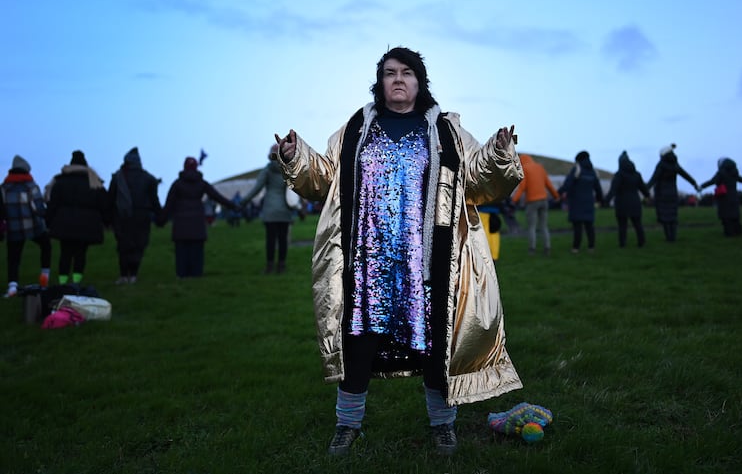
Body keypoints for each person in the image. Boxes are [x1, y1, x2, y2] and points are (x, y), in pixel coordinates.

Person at [275, 47, 523, 456]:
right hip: (365, 263)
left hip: (428, 265)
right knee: (358, 345)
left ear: (420, 81)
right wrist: (294, 156)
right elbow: (322, 180)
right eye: (390, 73)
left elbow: (478, 181)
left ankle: (443, 425)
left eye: (407, 73)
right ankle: (347, 424)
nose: (398, 80)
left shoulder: (447, 131)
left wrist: (498, 152)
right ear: (381, 82)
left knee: (434, 345)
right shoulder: (355, 129)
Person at [160, 157, 239, 278]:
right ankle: (196, 273)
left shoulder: (177, 184)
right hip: (197, 221)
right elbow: (216, 196)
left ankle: (182, 274)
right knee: (197, 250)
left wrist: (161, 220)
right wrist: (233, 206)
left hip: (181, 222)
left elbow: (169, 203)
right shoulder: (202, 183)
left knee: (182, 250)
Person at [46, 150, 108, 285]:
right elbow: (104, 204)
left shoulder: (60, 181)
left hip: (64, 223)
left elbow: (53, 204)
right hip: (87, 224)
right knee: (81, 254)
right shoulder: (94, 182)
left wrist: (48, 222)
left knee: (65, 253)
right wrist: (107, 222)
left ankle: (63, 282)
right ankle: (76, 281)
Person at [108, 147, 163, 285]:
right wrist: (160, 217)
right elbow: (154, 200)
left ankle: (123, 275)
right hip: (142, 216)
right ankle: (133, 275)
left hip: (121, 216)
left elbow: (110, 199)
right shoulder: (149, 178)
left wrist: (107, 218)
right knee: (138, 246)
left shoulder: (117, 177)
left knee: (123, 246)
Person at [240, 144, 297, 274]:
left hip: (270, 210)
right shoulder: (288, 170)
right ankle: (281, 266)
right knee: (283, 240)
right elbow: (294, 191)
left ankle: (269, 266)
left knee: (270, 239)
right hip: (284, 210)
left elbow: (257, 189)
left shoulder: (267, 170)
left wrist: (243, 201)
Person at [2, 155, 51, 297]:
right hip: (33, 227)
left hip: (13, 228)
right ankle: (45, 275)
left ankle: (12, 286)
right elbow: (39, 209)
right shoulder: (31, 186)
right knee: (46, 246)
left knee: (13, 258)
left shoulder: (4, 188)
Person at [646, 144, 700, 242]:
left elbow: (654, 178)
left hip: (662, 194)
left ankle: (668, 238)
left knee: (665, 217)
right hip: (673, 193)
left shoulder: (661, 165)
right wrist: (694, 183)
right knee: (673, 216)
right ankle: (673, 237)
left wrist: (644, 189)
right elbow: (685, 175)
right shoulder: (675, 165)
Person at [511, 154, 559, 255]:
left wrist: (514, 200)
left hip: (532, 202)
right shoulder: (540, 167)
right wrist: (556, 196)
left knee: (532, 226)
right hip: (544, 200)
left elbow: (522, 188)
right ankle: (547, 247)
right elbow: (548, 184)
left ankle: (532, 249)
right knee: (543, 226)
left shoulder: (525, 169)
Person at [557, 151, 604, 253]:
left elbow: (567, 184)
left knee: (577, 226)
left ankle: (576, 248)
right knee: (589, 226)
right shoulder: (593, 172)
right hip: (589, 203)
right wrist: (600, 200)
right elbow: (598, 189)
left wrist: (557, 194)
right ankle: (591, 247)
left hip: (576, 203)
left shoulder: (577, 170)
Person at [604, 151, 650, 248]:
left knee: (622, 225)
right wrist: (647, 195)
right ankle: (641, 242)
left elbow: (613, 190)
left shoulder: (619, 175)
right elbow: (643, 188)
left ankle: (622, 243)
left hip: (622, 203)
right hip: (635, 202)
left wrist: (606, 201)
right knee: (637, 224)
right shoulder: (637, 174)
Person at [700, 157, 742, 236]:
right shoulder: (734, 172)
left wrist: (702, 186)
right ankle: (738, 232)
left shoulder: (721, 172)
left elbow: (713, 181)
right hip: (734, 196)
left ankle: (729, 233)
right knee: (735, 216)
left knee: (726, 216)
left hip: (724, 197)